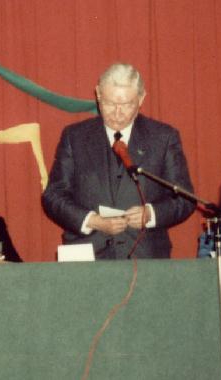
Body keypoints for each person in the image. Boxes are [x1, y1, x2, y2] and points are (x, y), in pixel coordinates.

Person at [42, 63, 195, 259]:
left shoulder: (163, 137)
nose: (117, 112)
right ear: (98, 94)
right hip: (87, 256)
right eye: (109, 103)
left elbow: (185, 198)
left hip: (145, 257)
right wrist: (92, 220)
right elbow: (53, 195)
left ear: (141, 99)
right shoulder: (74, 137)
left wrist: (150, 214)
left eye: (126, 105)